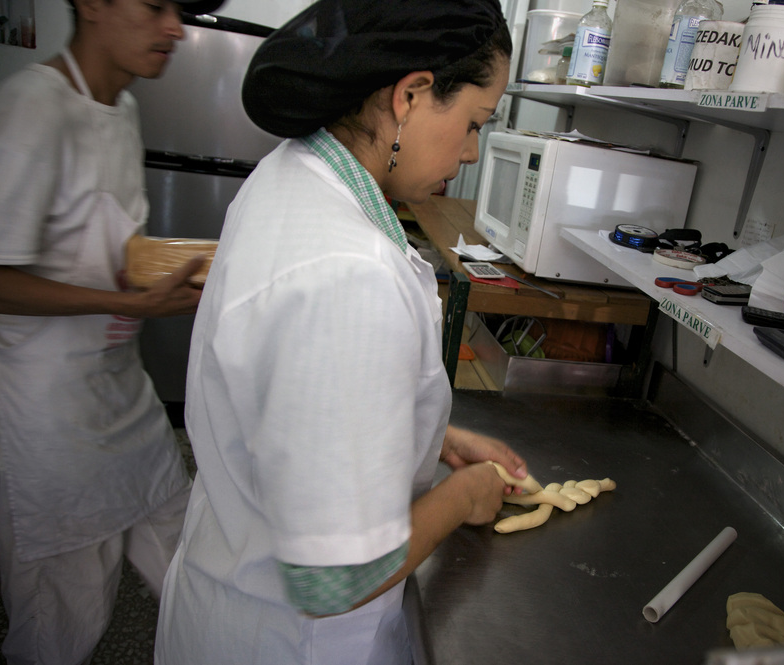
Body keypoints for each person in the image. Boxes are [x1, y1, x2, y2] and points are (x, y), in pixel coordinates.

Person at [154, 1, 528, 662]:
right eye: (474, 123)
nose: (470, 152)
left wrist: (427, 436)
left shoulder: (292, 174)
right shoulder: (348, 274)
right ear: (411, 94)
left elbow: (294, 405)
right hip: (289, 641)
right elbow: (337, 579)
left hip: (230, 595)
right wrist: (460, 496)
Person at [0, 0, 223, 662]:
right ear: (91, 3)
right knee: (60, 623)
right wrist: (135, 304)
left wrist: (174, 280)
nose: (176, 29)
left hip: (123, 393)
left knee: (192, 563)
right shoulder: (33, 107)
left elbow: (107, 242)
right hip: (51, 418)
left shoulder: (120, 108)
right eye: (155, 6)